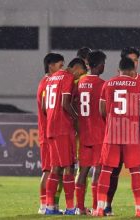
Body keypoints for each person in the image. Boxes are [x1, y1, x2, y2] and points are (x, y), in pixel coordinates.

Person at [94, 57, 140, 217]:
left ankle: (100, 208)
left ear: (119, 70)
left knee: (106, 170)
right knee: (135, 172)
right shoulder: (138, 85)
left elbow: (102, 110)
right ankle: (139, 209)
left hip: (112, 133)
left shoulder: (108, 84)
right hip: (131, 134)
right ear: (133, 71)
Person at [44, 58, 87, 215]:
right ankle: (70, 208)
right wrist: (77, 118)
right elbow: (65, 103)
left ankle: (49, 207)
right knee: (68, 167)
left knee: (55, 168)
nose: (80, 77)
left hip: (50, 127)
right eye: (82, 72)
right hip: (63, 128)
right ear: (76, 68)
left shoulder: (51, 78)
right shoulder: (68, 77)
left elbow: (44, 106)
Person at [75, 50, 106, 214]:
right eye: (103, 64)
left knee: (83, 170)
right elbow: (105, 110)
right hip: (99, 133)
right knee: (98, 171)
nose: (104, 67)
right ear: (100, 65)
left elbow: (72, 103)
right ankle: (96, 207)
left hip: (84, 133)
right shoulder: (102, 84)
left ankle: (79, 208)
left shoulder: (80, 82)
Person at [37, 53, 64, 214]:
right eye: (60, 66)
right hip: (49, 134)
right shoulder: (47, 83)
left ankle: (50, 205)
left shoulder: (48, 82)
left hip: (50, 132)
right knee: (49, 170)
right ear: (51, 65)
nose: (61, 69)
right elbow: (47, 108)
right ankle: (44, 205)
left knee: (55, 170)